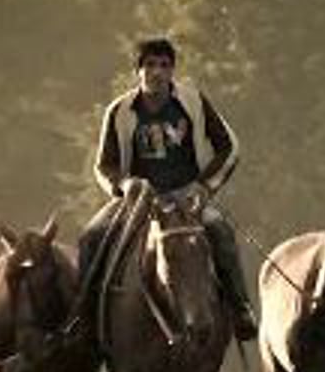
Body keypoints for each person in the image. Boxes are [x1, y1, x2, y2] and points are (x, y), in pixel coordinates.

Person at [74, 36, 257, 342]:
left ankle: (241, 310)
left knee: (220, 229)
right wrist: (124, 184)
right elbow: (103, 165)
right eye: (149, 65)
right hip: (139, 201)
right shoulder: (119, 111)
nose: (156, 72)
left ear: (172, 71)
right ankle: (84, 322)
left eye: (164, 65)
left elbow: (230, 147)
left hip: (187, 197)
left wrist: (204, 186)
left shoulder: (193, 101)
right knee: (92, 235)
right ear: (138, 71)